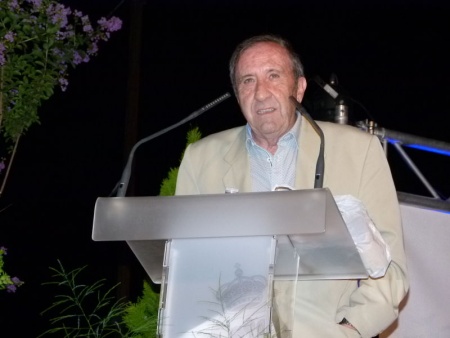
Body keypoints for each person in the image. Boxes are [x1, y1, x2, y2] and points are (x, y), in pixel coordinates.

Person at [175, 34, 408, 338]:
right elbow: (184, 268)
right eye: (248, 81)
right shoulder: (201, 159)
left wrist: (351, 329)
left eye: (273, 76)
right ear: (237, 94)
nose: (261, 93)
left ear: (298, 88)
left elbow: (391, 267)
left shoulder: (358, 151)